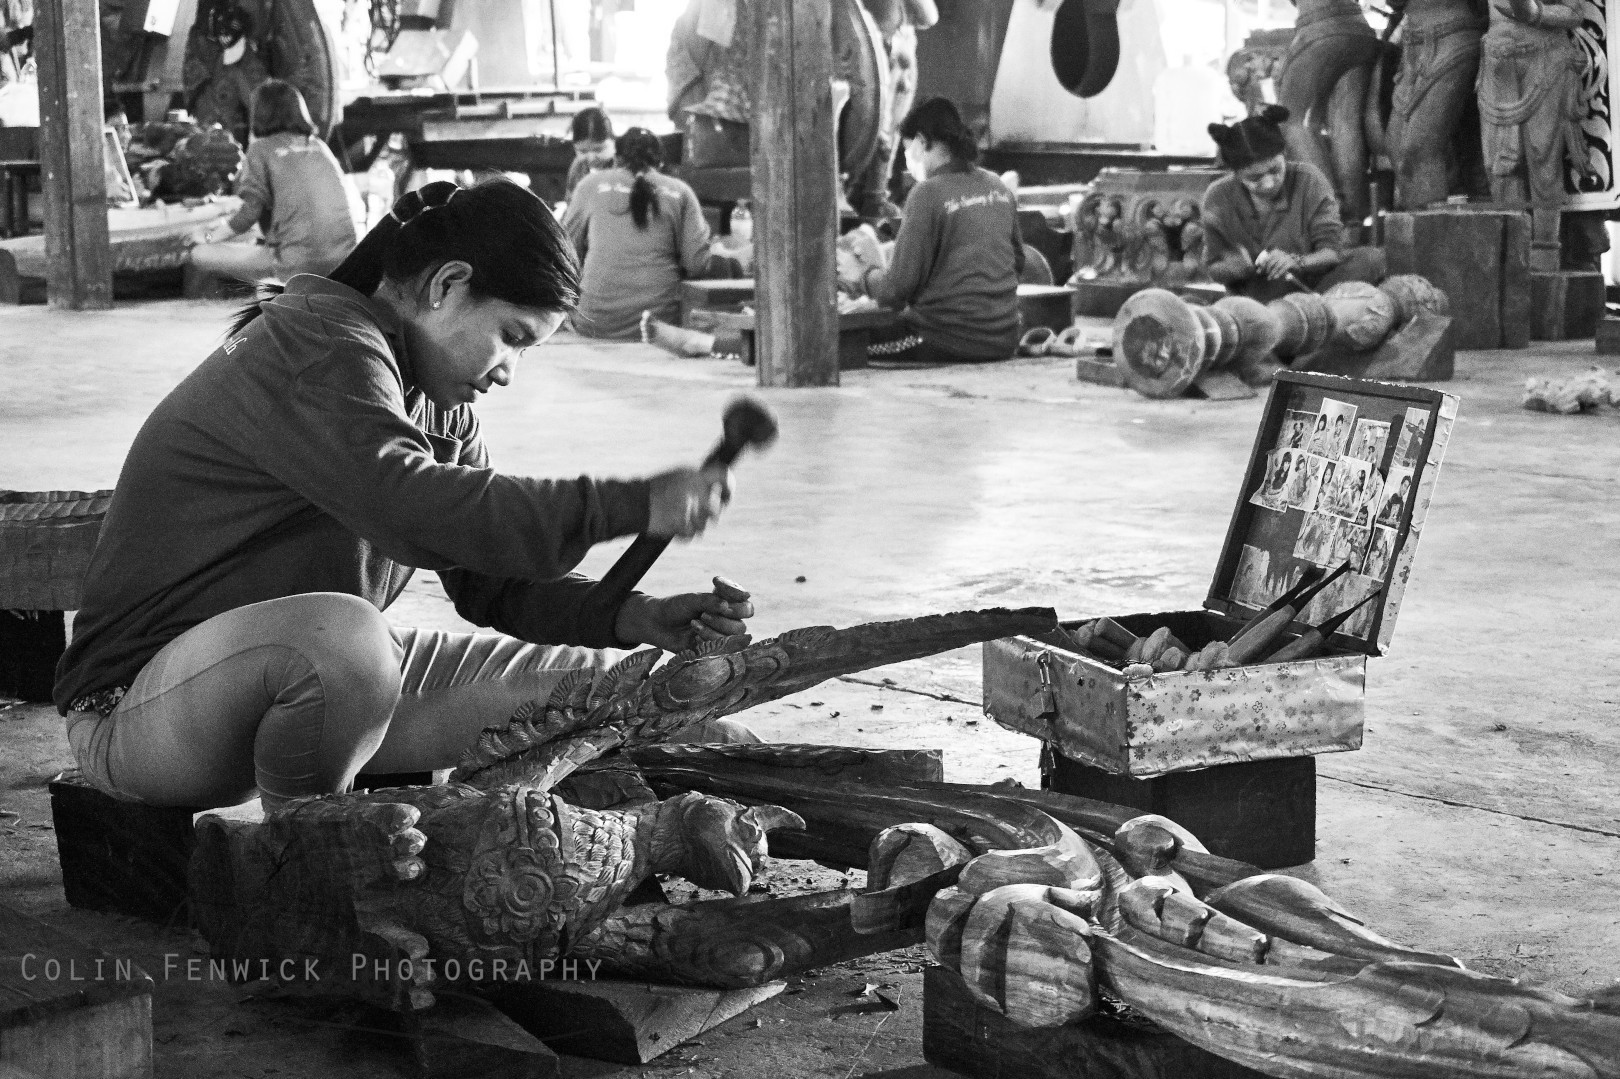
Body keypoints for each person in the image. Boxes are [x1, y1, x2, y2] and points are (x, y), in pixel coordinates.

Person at [55, 178, 750, 813]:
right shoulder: (323, 345)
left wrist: (633, 616)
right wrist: (630, 504)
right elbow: (412, 506)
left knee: (616, 694)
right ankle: (306, 855)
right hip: (137, 712)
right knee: (348, 642)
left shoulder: (436, 400)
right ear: (447, 284)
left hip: (295, 681)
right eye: (510, 338)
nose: (508, 372)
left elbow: (491, 583)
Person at [840, 97, 1023, 364]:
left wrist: (863, 274)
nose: (907, 159)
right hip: (1005, 340)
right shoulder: (997, 187)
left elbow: (894, 292)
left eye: (907, 148)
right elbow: (1016, 263)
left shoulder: (927, 193)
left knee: (842, 345)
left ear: (922, 141)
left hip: (944, 340)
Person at [1200, 105, 1386, 305]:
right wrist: (1235, 268)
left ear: (1285, 154)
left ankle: (1312, 314)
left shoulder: (1309, 180)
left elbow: (1332, 252)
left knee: (1371, 258)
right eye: (1255, 178)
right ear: (1236, 174)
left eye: (1275, 170)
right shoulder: (1218, 196)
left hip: (1314, 290)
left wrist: (1297, 262)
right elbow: (1213, 268)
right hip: (1253, 301)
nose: (1269, 183)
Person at [186, 79, 357, 285]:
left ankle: (275, 289)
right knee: (245, 235)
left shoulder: (261, 149)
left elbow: (249, 214)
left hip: (298, 265)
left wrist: (208, 238)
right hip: (346, 262)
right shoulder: (320, 146)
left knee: (200, 253)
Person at [562, 127, 715, 340]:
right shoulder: (680, 192)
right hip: (657, 326)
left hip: (594, 323)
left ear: (616, 159)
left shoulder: (590, 186)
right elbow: (697, 264)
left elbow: (564, 253)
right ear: (660, 163)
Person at [564, 106, 616, 202]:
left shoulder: (625, 168)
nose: (591, 158)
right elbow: (571, 203)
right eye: (582, 151)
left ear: (613, 142)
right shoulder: (578, 167)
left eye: (598, 150)